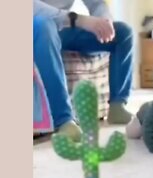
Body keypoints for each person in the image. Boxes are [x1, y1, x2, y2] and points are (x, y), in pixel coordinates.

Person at [34, 0, 134, 142]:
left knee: (123, 32)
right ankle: (64, 120)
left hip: (63, 28)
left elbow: (97, 3)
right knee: (44, 25)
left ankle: (118, 105)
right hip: (35, 24)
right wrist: (78, 19)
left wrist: (104, 22)